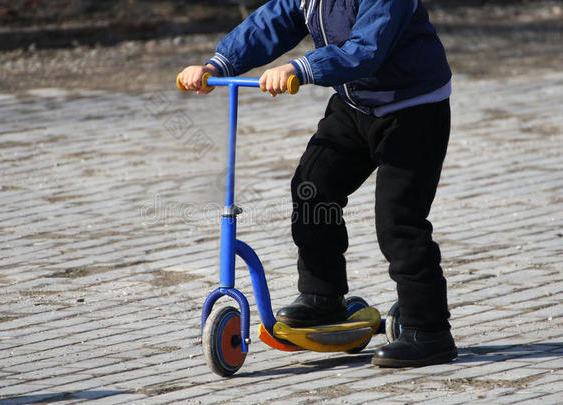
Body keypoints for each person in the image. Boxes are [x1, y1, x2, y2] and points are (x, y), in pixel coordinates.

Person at [178, 0, 457, 368]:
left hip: (413, 109)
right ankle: (321, 297)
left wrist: (302, 67)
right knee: (313, 186)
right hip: (355, 105)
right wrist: (219, 63)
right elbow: (272, 22)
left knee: (398, 220)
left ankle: (429, 330)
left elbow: (367, 49)